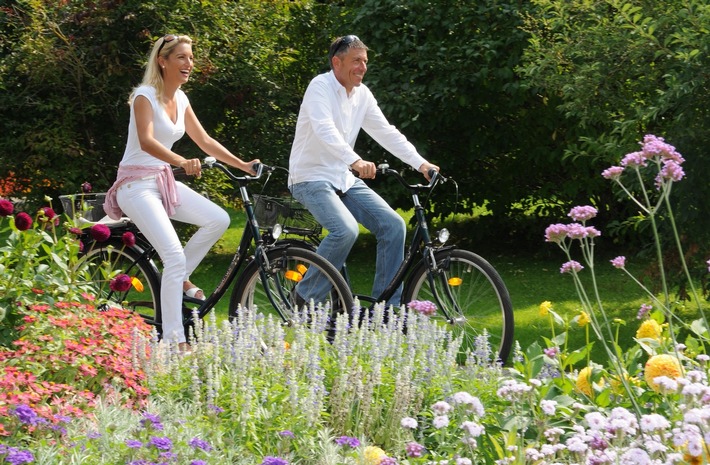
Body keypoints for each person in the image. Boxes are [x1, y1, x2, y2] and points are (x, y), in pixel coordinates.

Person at [104, 34, 259, 348]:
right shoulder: (144, 96)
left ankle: (180, 277)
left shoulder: (182, 99)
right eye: (182, 58)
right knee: (172, 257)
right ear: (163, 61)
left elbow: (204, 141)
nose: (189, 64)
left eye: (191, 58)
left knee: (218, 219)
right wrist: (180, 160)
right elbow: (147, 141)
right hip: (135, 185)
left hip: (161, 182)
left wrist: (243, 165)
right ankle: (174, 341)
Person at [288, 35, 438, 309]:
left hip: (342, 179)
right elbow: (324, 130)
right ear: (337, 62)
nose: (363, 67)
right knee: (344, 230)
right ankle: (303, 298)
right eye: (356, 61)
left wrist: (421, 164)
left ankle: (385, 310)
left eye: (365, 62)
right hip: (310, 177)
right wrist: (355, 160)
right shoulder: (319, 87)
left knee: (393, 225)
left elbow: (386, 132)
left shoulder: (362, 95)